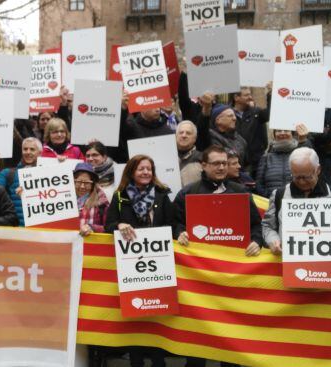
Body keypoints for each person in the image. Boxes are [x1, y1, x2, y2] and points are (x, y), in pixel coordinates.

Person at [105, 154, 176, 367]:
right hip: (131, 264)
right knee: (134, 312)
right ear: (131, 172)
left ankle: (158, 359)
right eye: (140, 169)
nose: (145, 172)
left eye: (149, 169)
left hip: (158, 262)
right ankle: (136, 359)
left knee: (157, 311)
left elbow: (173, 225)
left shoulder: (163, 195)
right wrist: (119, 226)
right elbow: (108, 225)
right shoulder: (119, 196)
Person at [262, 148, 331, 254]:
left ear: (318, 170)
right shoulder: (279, 195)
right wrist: (273, 240)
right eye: (296, 177)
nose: (302, 182)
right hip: (289, 261)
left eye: (307, 177)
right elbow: (267, 226)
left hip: (326, 263)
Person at [174, 145, 264, 257]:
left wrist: (256, 241)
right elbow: (176, 223)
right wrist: (180, 233)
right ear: (204, 166)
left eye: (224, 163)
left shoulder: (241, 192)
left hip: (236, 259)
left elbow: (257, 224)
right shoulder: (187, 193)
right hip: (200, 261)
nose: (221, 168)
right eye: (216, 163)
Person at [0, 137, 41, 226]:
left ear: (39, 153)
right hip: (16, 229)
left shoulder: (48, 174)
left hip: (41, 229)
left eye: (32, 149)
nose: (28, 152)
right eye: (25, 149)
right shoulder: (8, 173)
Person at [230, 86, 271, 178]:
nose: (250, 97)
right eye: (247, 95)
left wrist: (270, 94)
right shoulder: (227, 114)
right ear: (236, 97)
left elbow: (270, 114)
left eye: (250, 94)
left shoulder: (256, 112)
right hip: (235, 162)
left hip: (256, 163)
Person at [256, 125, 309, 197]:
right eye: (279, 131)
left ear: (292, 134)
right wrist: (272, 197)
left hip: (295, 202)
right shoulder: (266, 158)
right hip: (272, 203)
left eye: (286, 130)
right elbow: (259, 185)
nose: (282, 133)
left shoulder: (300, 154)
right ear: (274, 135)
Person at [74, 162, 109, 236]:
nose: (82, 186)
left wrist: (92, 228)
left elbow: (109, 228)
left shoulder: (101, 202)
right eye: (79, 182)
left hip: (89, 245)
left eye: (87, 183)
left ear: (93, 184)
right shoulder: (63, 199)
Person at [176, 120, 203, 187]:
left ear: (195, 138)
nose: (184, 135)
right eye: (181, 132)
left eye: (188, 133)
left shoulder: (202, 159)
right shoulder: (166, 157)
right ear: (175, 136)